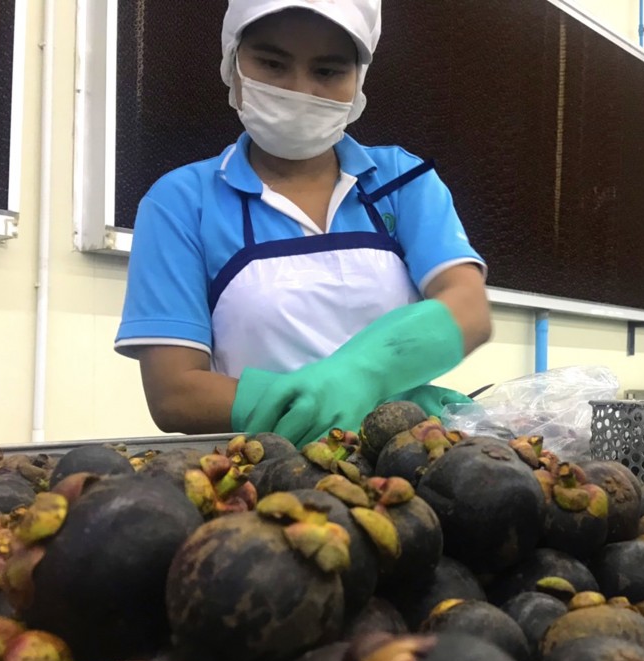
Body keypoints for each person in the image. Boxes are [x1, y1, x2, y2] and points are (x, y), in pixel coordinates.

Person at [114, 0, 492, 447]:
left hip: (405, 462)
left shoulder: (402, 182)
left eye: (328, 71)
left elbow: (469, 307)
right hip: (265, 477)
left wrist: (366, 372)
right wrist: (310, 404)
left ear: (358, 82)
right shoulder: (180, 202)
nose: (299, 89)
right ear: (233, 64)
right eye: (272, 63)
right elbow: (174, 392)